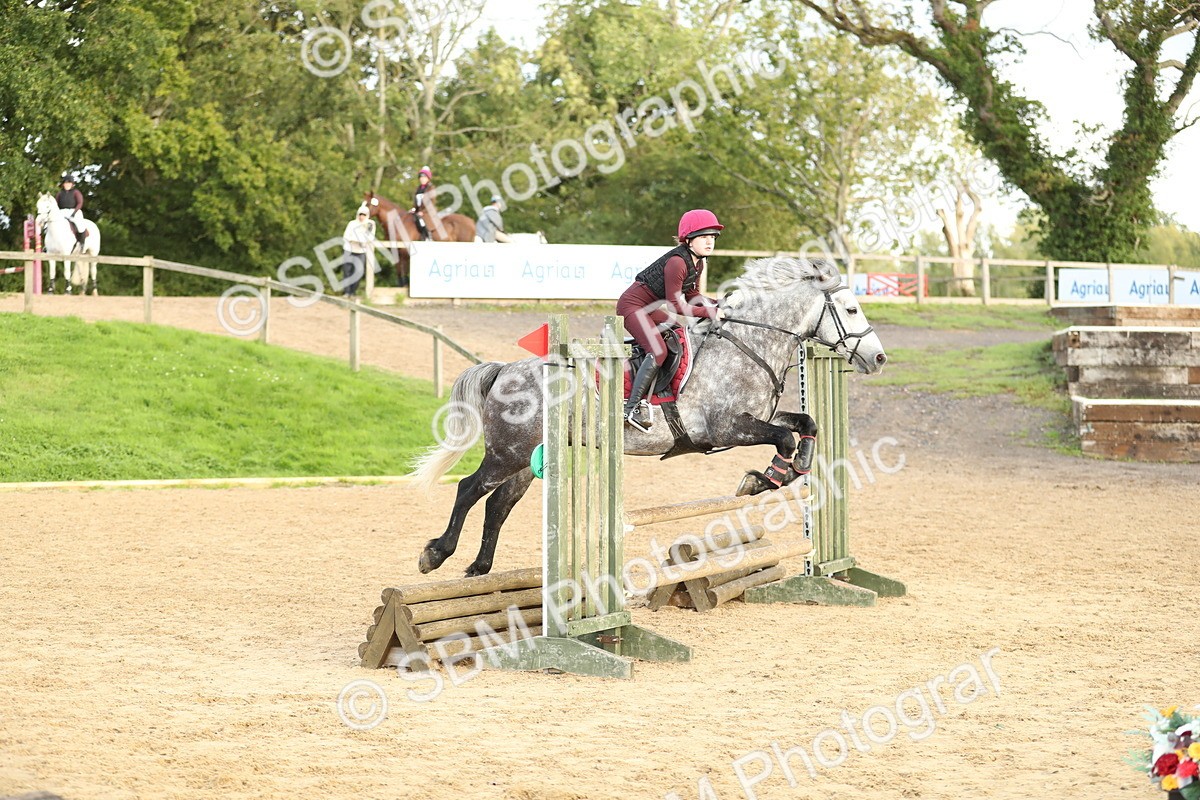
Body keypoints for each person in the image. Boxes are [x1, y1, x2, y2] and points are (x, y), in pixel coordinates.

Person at [615, 209, 725, 431]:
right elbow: (676, 306)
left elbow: (692, 295)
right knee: (658, 351)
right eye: (704, 237)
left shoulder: (698, 263)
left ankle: (661, 392)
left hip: (649, 308)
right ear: (689, 239)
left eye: (713, 237)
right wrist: (711, 313)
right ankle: (631, 408)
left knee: (677, 334)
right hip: (632, 307)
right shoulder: (677, 262)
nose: (710, 242)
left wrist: (717, 303)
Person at [341, 204, 376, 298]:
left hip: (361, 251)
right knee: (347, 271)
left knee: (358, 272)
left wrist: (362, 241)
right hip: (349, 249)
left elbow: (370, 237)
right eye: (360, 214)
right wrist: (354, 240)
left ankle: (353, 292)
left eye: (364, 215)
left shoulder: (370, 224)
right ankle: (346, 292)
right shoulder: (352, 224)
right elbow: (347, 236)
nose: (362, 217)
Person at [56, 174, 87, 249]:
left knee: (80, 225)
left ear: (72, 184)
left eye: (69, 183)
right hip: (62, 212)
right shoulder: (60, 193)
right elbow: (56, 204)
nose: (67, 185)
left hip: (74, 211)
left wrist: (74, 213)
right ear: (63, 184)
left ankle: (81, 242)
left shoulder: (76, 192)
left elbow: (80, 203)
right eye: (66, 183)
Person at [413, 166, 433, 240]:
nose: (422, 179)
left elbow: (431, 203)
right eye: (421, 177)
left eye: (424, 177)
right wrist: (414, 209)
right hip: (418, 211)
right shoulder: (418, 189)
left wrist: (423, 212)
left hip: (427, 212)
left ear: (428, 178)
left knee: (421, 220)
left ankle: (427, 236)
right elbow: (416, 202)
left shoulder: (430, 188)